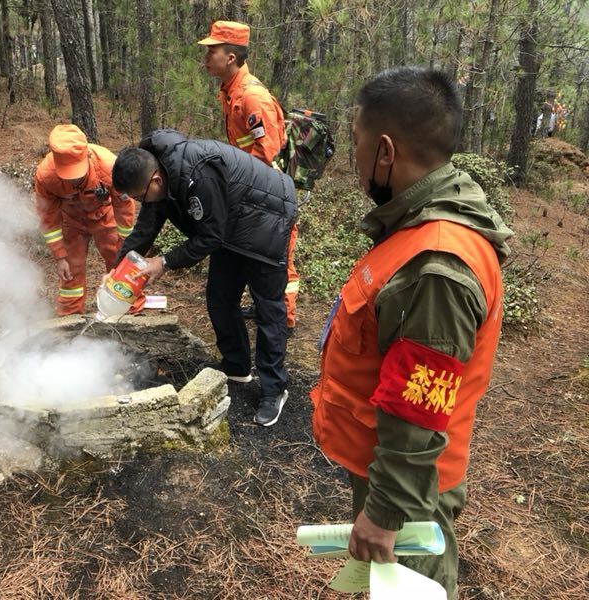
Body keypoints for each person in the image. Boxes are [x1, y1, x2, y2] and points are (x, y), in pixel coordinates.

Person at [309, 67, 513, 597]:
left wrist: (385, 512)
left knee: (408, 587)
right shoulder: (416, 225)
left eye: (355, 144)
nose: (351, 161)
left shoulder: (436, 268)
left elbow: (417, 408)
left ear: (384, 151)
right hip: (390, 472)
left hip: (409, 490)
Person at [111, 129, 296, 426]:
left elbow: (210, 236)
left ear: (154, 180)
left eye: (139, 197)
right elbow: (145, 230)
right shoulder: (158, 178)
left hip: (267, 218)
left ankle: (274, 390)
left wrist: (164, 262)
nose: (139, 202)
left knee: (268, 308)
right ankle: (237, 366)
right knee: (220, 298)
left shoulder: (196, 174)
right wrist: (117, 271)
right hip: (231, 224)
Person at [197, 20, 301, 335]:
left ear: (230, 57)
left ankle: (285, 317)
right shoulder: (230, 92)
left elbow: (268, 155)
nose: (206, 57)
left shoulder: (252, 97)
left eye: (212, 51)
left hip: (268, 193)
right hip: (251, 189)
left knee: (279, 257)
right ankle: (265, 307)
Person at [34, 124, 142, 316]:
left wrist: (125, 243)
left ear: (87, 156)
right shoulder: (46, 176)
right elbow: (49, 219)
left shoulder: (109, 166)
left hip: (104, 216)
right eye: (67, 174)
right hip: (71, 222)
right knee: (70, 271)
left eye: (77, 173)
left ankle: (131, 310)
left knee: (118, 261)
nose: (73, 180)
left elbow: (124, 206)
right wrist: (60, 257)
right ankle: (70, 317)